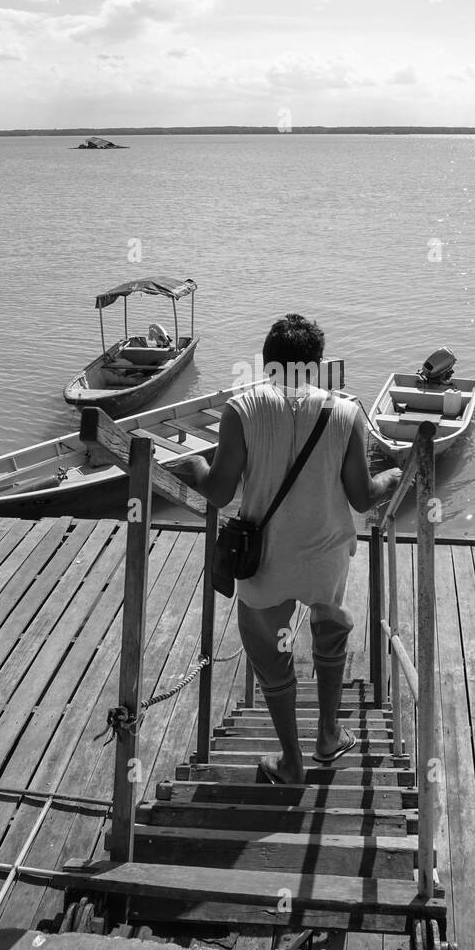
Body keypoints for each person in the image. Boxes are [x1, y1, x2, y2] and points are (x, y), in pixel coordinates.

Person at [171, 314, 401, 785]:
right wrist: (392, 478)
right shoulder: (346, 413)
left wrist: (195, 465)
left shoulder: (241, 411)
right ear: (316, 366)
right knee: (329, 634)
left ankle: (292, 761)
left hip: (264, 560)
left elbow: (217, 493)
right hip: (325, 555)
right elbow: (361, 496)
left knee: (271, 658)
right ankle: (329, 735)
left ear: (267, 362)